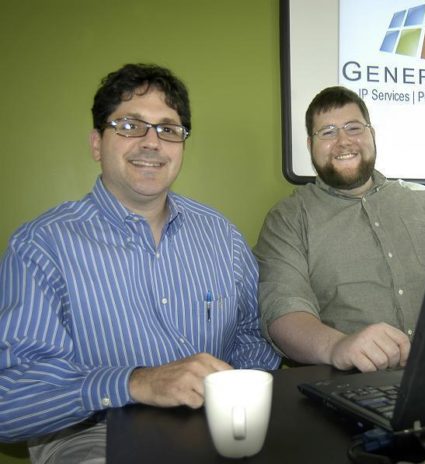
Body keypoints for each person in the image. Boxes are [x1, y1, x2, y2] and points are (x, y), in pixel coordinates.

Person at [0, 64, 279, 462]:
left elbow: (253, 336)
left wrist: (242, 393)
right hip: (94, 432)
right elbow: (9, 399)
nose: (152, 143)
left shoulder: (222, 236)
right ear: (97, 144)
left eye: (168, 129)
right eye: (131, 125)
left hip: (213, 423)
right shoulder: (42, 245)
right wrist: (135, 382)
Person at [254, 86, 425, 373]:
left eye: (354, 127)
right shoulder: (288, 219)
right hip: (352, 381)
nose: (344, 141)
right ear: (310, 146)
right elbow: (283, 313)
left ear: (372, 134)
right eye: (328, 132)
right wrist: (337, 347)